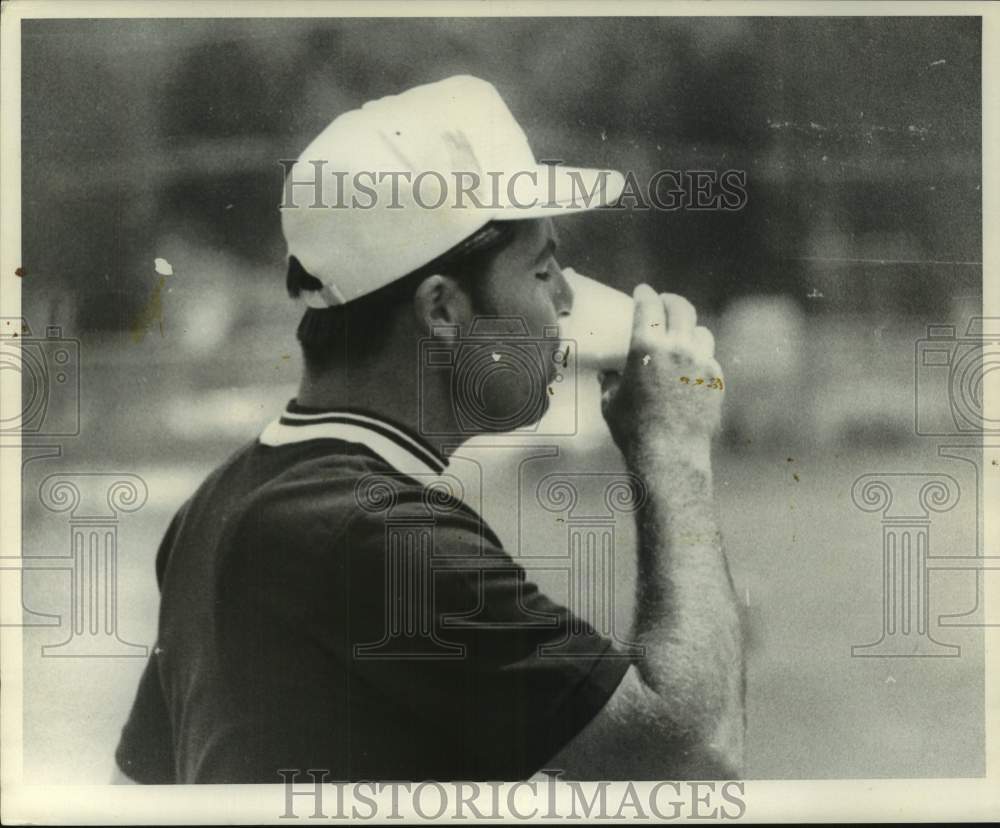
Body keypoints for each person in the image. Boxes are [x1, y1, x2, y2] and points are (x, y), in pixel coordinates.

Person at [114, 75, 744, 783]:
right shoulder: (375, 532)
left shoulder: (224, 500)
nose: (566, 299)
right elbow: (694, 765)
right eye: (542, 271)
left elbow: (134, 793)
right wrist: (675, 450)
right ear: (442, 309)